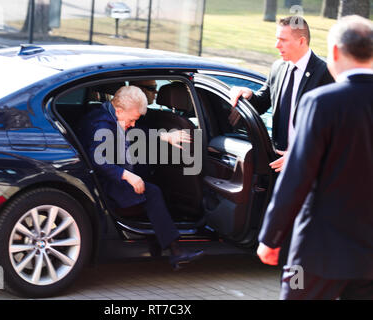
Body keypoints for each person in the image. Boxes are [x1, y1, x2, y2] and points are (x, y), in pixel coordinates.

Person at [257, 15, 373, 300]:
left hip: (316, 253)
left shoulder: (321, 102)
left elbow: (297, 176)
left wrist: (270, 238)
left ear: (334, 52)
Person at [229, 16, 334, 270]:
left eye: (282, 39)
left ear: (301, 40)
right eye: (276, 38)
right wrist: (248, 95)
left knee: (302, 228)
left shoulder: (325, 73)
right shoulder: (278, 67)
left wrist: (299, 154)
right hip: (277, 162)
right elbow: (266, 100)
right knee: (283, 225)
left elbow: (331, 129)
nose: (277, 45)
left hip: (309, 165)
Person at [78, 85, 204, 270]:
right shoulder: (101, 126)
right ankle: (176, 251)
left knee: (150, 176)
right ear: (119, 111)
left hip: (108, 173)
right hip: (102, 183)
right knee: (152, 192)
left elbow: (136, 132)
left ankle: (155, 240)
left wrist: (166, 137)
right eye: (132, 119)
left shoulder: (110, 115)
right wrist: (127, 175)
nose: (134, 124)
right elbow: (99, 161)